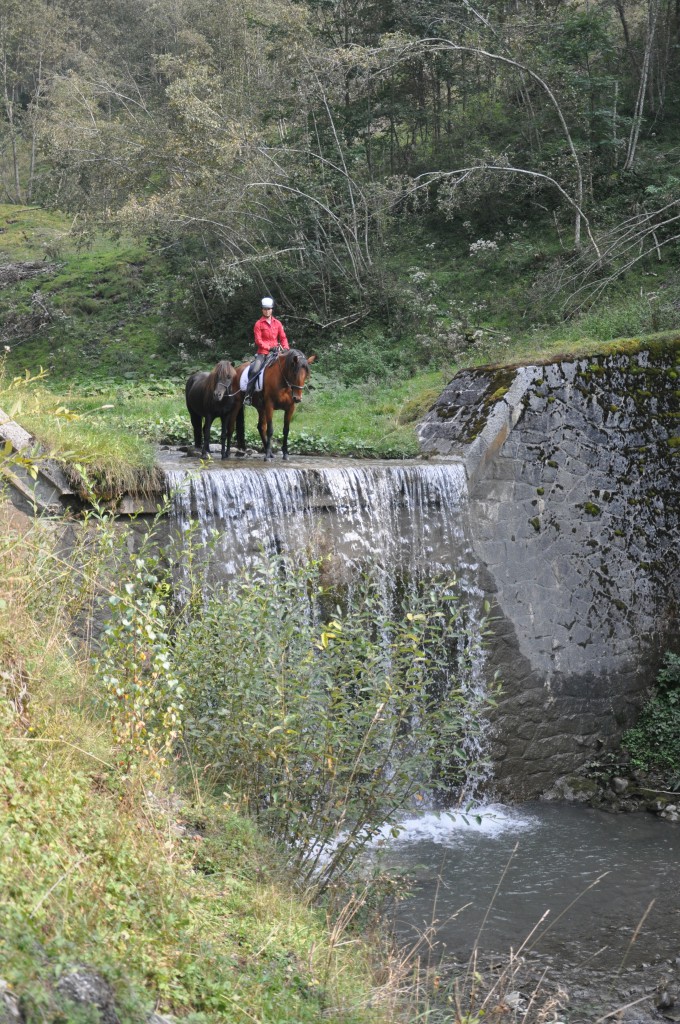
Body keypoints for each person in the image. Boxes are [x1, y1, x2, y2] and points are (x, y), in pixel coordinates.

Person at [245, 297, 289, 399]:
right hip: (263, 353)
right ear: (262, 309)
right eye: (265, 309)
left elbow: (283, 337)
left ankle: (291, 394)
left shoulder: (277, 323)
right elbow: (258, 341)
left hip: (277, 352)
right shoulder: (258, 324)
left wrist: (286, 348)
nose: (267, 311)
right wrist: (269, 348)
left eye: (269, 308)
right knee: (255, 370)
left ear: (272, 309)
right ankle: (248, 395)